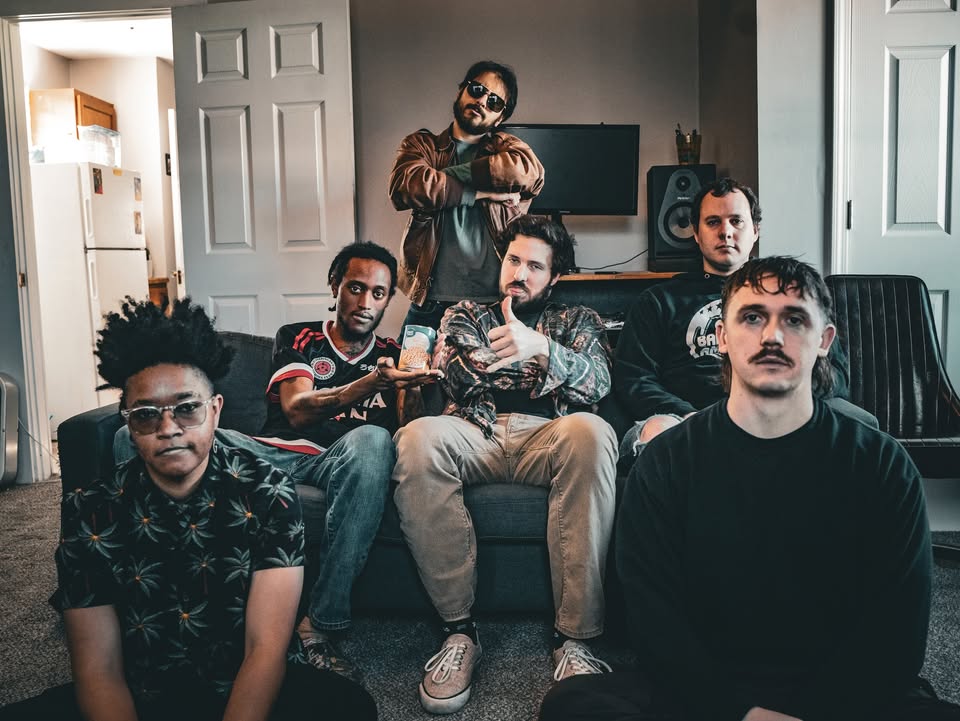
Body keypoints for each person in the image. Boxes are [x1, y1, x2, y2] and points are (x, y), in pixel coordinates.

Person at [539, 257, 960, 721]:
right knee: (570, 707)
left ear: (824, 341)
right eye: (753, 317)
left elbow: (897, 634)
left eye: (794, 319)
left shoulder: (881, 463)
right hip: (709, 690)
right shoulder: (665, 462)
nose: (772, 336)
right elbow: (655, 624)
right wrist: (739, 712)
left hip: (844, 692)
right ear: (722, 336)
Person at [0, 298, 376, 721]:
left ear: (215, 411)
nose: (168, 428)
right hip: (141, 688)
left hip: (247, 684)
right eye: (146, 414)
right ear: (129, 423)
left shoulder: (270, 493)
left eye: (187, 408)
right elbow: (99, 670)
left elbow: (264, 649)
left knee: (350, 707)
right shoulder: (90, 509)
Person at [392, 215, 618, 715]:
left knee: (593, 431)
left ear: (554, 277)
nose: (520, 273)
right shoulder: (465, 314)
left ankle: (574, 639)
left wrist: (544, 348)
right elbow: (461, 373)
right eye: (514, 260)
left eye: (535, 266)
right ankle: (459, 632)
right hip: (475, 429)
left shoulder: (578, 320)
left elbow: (598, 384)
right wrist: (547, 367)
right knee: (416, 438)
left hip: (549, 433)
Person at [614, 177, 874, 460]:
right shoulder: (658, 301)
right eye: (713, 222)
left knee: (854, 427)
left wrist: (777, 403)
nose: (725, 232)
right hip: (685, 418)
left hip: (781, 411)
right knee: (658, 431)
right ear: (697, 234)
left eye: (736, 221)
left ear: (755, 231)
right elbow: (634, 377)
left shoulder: (792, 296)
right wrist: (688, 415)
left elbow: (835, 375)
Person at [389, 59, 545, 331]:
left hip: (494, 303)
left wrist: (443, 177)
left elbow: (529, 174)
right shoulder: (422, 145)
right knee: (411, 361)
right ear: (461, 91)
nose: (482, 101)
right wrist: (481, 192)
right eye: (477, 89)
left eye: (494, 102)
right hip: (430, 303)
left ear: (500, 118)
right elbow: (406, 187)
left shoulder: (507, 149)